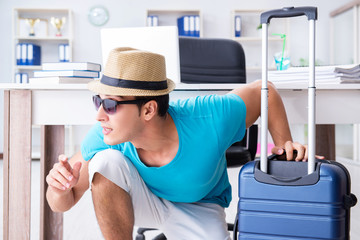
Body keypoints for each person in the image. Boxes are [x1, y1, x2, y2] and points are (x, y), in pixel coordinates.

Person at [46, 47, 311, 240]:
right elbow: (63, 202)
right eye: (98, 101)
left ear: (148, 110)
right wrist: (57, 188)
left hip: (200, 205)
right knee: (105, 163)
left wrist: (283, 145)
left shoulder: (211, 116)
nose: (99, 114)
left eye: (111, 104)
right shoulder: (105, 134)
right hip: (143, 200)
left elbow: (265, 91)